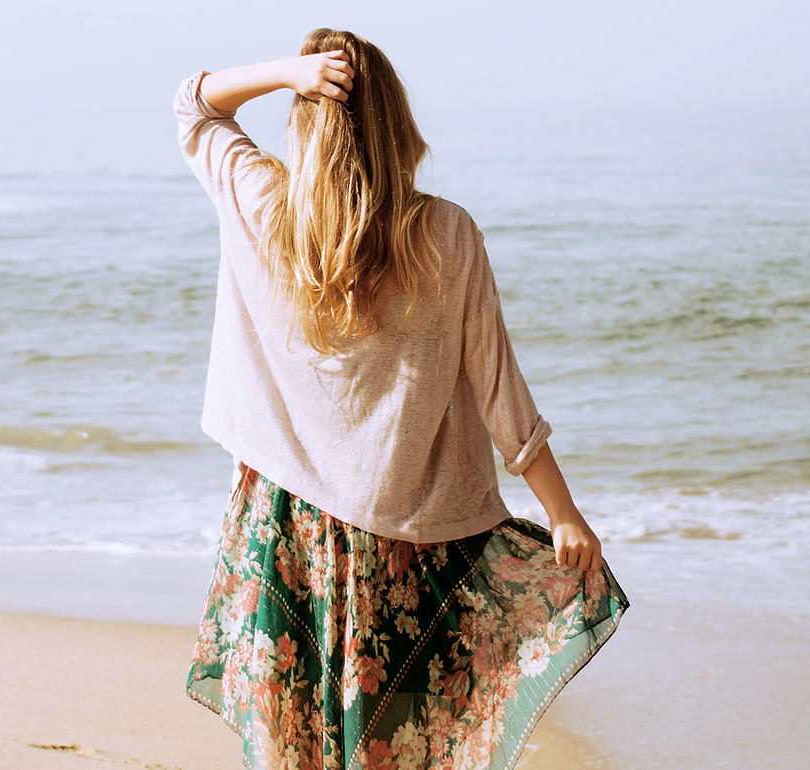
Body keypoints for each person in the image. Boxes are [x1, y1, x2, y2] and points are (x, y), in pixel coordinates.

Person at [174, 28, 629, 770]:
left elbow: (193, 107)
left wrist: (291, 72)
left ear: (303, 117)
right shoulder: (443, 233)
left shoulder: (262, 205)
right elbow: (498, 388)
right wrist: (561, 512)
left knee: (297, 743)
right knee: (395, 744)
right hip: (404, 543)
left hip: (283, 528)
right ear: (396, 120)